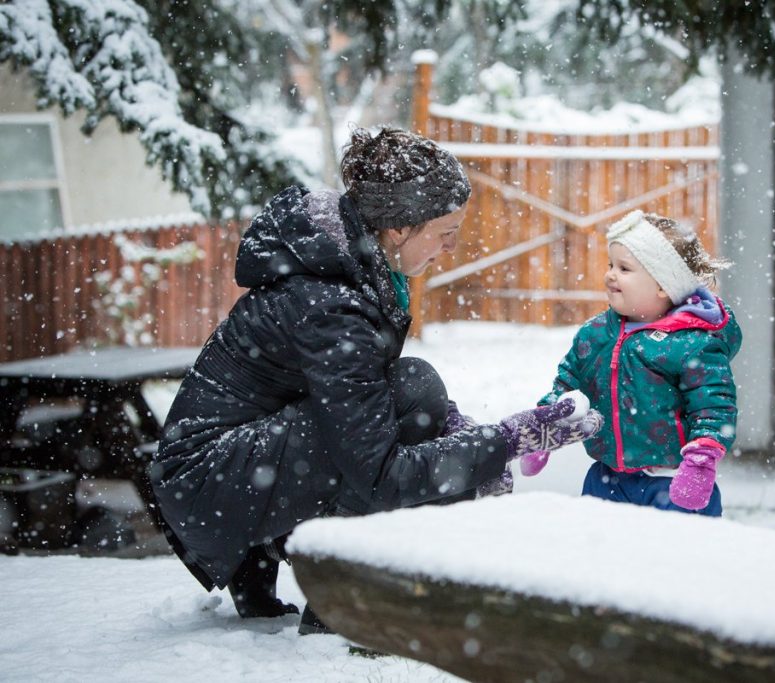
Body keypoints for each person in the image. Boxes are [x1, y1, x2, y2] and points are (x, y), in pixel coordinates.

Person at [149, 127, 602, 631]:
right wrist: (504, 441)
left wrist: (455, 428)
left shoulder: (348, 265)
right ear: (400, 228)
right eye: (445, 232)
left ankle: (289, 568)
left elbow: (366, 391)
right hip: (207, 483)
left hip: (226, 474)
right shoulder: (331, 304)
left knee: (418, 400)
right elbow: (381, 475)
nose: (452, 246)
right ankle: (340, 604)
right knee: (413, 412)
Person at [522, 209, 740, 517]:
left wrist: (700, 461)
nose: (610, 274)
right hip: (606, 479)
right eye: (611, 265)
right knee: (596, 544)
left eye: (624, 268)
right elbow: (568, 383)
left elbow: (714, 406)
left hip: (672, 482)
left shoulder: (692, 344)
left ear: (663, 284)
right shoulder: (597, 333)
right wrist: (546, 427)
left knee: (674, 548)